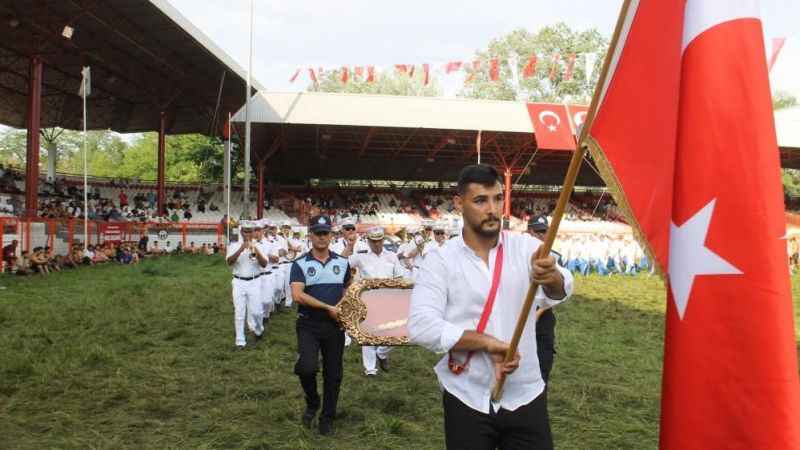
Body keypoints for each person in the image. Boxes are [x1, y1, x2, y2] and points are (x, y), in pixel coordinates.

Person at [409, 164, 574, 450]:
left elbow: (563, 288)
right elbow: (421, 326)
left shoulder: (524, 248)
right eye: (481, 200)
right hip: (466, 394)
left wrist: (552, 278)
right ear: (459, 203)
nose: (493, 209)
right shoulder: (440, 261)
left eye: (498, 198)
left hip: (525, 393)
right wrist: (485, 342)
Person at [290, 215, 351, 436]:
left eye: (326, 233)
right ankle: (313, 401)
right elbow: (297, 295)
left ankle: (327, 417)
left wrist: (342, 308)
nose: (322, 237)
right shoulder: (299, 264)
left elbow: (347, 291)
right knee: (306, 368)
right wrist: (328, 308)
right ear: (310, 236)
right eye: (318, 233)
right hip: (309, 324)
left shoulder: (342, 263)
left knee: (334, 374)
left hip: (335, 326)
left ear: (331, 236)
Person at [347, 226, 407, 376]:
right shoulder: (360, 256)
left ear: (383, 240)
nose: (376, 244)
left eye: (379, 241)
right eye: (373, 241)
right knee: (367, 334)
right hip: (367, 298)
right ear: (368, 241)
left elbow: (399, 277)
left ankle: (381, 353)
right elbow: (341, 265)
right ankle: (370, 369)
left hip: (388, 298)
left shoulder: (392, 256)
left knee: (395, 333)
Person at [225, 220, 270, 349]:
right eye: (245, 231)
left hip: (254, 281)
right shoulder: (234, 245)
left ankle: (258, 329)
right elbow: (229, 262)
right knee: (239, 312)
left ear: (253, 232)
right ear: (241, 232)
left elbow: (264, 264)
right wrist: (241, 249)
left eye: (250, 231)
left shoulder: (259, 245)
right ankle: (240, 341)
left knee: (256, 312)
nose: (248, 234)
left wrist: (254, 249)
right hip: (238, 281)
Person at [527, 215, 560, 385]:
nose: (542, 235)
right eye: (538, 231)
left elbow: (559, 293)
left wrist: (539, 313)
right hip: (521, 314)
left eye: (544, 232)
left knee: (542, 365)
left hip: (543, 317)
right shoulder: (519, 255)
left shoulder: (554, 258)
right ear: (529, 231)